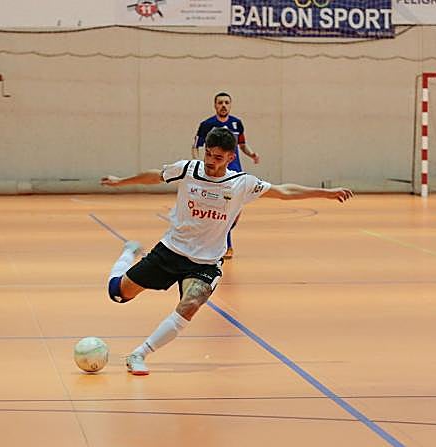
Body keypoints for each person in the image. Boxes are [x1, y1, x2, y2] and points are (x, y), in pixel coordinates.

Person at [101, 127, 353, 375]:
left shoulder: (241, 183)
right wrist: (121, 182)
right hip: (171, 250)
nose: (211, 161)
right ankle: (128, 252)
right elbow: (155, 175)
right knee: (119, 294)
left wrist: (326, 193)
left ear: (231, 157)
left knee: (190, 305)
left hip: (206, 262)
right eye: (208, 154)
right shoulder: (188, 169)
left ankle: (139, 354)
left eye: (218, 157)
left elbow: (284, 191)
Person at [192, 92, 259, 259]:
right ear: (215, 105)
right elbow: (195, 146)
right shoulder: (207, 125)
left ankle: (217, 239)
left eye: (226, 102)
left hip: (235, 173)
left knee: (235, 210)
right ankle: (225, 244)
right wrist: (198, 164)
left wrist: (251, 154)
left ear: (230, 105)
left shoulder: (237, 123)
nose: (223, 105)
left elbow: (242, 145)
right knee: (222, 208)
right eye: (220, 102)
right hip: (216, 174)